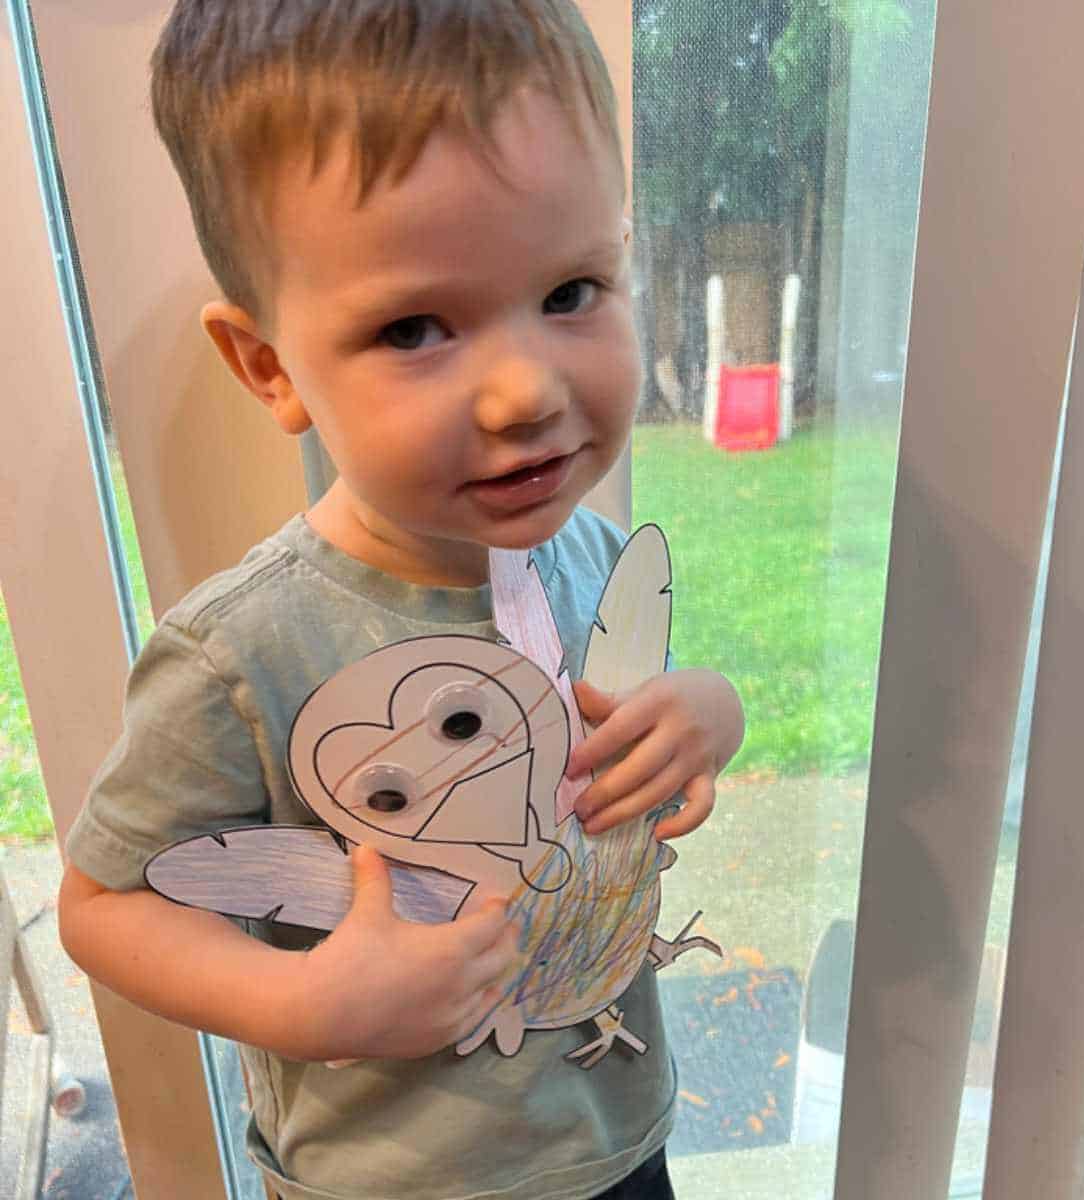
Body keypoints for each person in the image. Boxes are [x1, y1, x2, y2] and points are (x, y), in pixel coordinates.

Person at [57, 3, 744, 1198]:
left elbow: (618, 771)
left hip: (614, 1134)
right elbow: (103, 905)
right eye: (417, 327)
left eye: (575, 290)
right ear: (271, 366)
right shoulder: (242, 649)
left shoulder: (582, 552)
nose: (525, 388)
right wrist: (305, 1002)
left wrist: (705, 717)